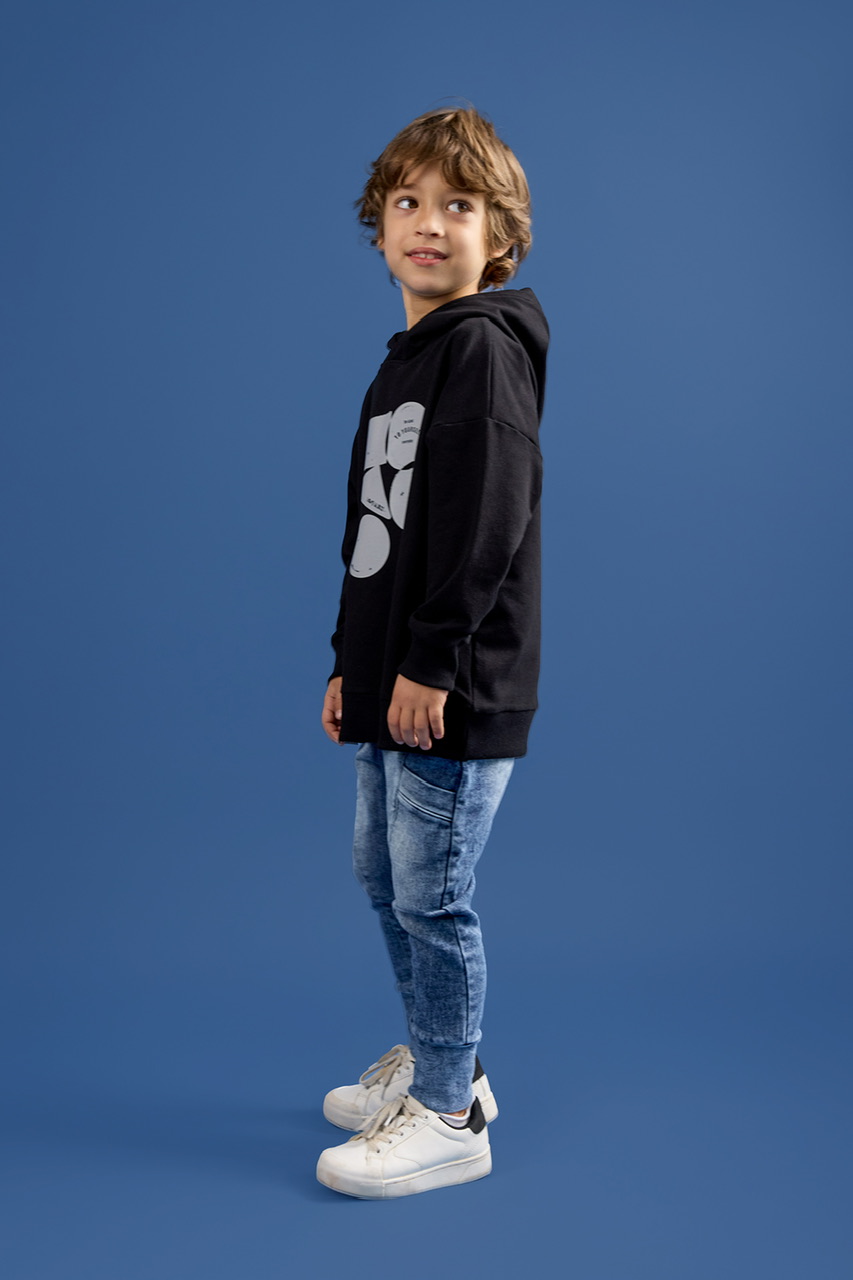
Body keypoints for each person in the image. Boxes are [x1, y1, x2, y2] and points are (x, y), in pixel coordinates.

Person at [316, 105, 548, 1199]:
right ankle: (442, 1056)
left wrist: (431, 661)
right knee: (385, 876)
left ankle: (451, 1112)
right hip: (393, 676)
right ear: (378, 229)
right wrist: (349, 662)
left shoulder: (482, 354)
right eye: (406, 202)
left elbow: (484, 524)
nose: (427, 222)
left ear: (497, 239)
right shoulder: (404, 364)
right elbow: (376, 533)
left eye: (458, 205)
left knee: (431, 896)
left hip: (448, 684)